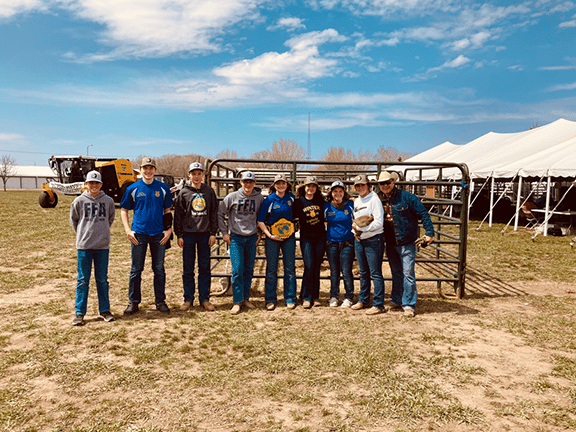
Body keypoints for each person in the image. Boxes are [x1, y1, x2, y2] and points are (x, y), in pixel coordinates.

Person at [120, 156, 173, 315]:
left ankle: (160, 301)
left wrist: (168, 230)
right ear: (140, 170)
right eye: (145, 168)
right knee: (136, 269)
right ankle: (133, 302)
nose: (148, 171)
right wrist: (128, 230)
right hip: (139, 235)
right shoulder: (133, 189)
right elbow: (124, 210)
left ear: (155, 171)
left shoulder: (163, 188)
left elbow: (167, 211)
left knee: (159, 269)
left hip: (158, 235)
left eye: (151, 168)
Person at [377, 171, 434, 317]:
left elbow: (423, 213)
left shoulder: (407, 197)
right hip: (390, 242)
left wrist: (429, 232)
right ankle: (397, 299)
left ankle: (408, 304)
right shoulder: (377, 199)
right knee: (396, 272)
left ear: (393, 182)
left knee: (408, 273)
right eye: (382, 183)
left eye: (387, 182)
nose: (385, 186)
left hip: (407, 241)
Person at [69, 170, 116, 326]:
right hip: (84, 247)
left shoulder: (108, 201)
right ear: (86, 184)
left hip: (102, 247)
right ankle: (79, 313)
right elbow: (74, 221)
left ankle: (105, 310)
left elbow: (110, 219)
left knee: (102, 280)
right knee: (83, 280)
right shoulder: (79, 201)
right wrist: (83, 235)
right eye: (91, 183)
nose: (94, 186)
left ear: (101, 184)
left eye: (97, 183)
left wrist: (100, 233)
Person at [174, 162, 219, 312]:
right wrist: (179, 234)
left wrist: (213, 233)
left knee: (204, 267)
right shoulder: (184, 192)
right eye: (194, 173)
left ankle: (204, 299)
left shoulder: (209, 191)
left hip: (205, 234)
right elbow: (178, 215)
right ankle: (188, 299)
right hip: (188, 235)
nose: (197, 176)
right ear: (189, 175)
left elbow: (214, 213)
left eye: (199, 173)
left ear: (203, 175)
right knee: (188, 268)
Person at [218, 171, 265, 315]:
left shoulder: (259, 198)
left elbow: (262, 217)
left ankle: (245, 298)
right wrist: (224, 232)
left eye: (251, 182)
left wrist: (260, 232)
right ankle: (237, 301)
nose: (248, 184)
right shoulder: (232, 197)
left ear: (255, 183)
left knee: (248, 269)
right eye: (245, 182)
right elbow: (220, 214)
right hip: (236, 238)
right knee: (237, 269)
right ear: (241, 183)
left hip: (251, 237)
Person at [257, 173, 297, 310]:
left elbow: (296, 216)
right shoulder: (269, 200)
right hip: (273, 238)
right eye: (278, 183)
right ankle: (270, 299)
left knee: (290, 268)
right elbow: (260, 220)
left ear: (287, 185)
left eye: (283, 183)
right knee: (272, 268)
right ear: (274, 185)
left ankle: (290, 297)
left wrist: (293, 229)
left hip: (288, 237)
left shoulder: (291, 198)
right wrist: (268, 234)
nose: (281, 185)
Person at [351, 174, 385, 315]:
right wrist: (356, 230)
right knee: (363, 272)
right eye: (357, 186)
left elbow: (378, 222)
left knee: (375, 272)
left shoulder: (374, 200)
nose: (360, 188)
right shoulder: (357, 201)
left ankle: (378, 304)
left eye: (362, 185)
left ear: (368, 186)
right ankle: (363, 299)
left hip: (373, 239)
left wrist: (361, 229)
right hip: (360, 239)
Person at [293, 176, 326, 308]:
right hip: (306, 237)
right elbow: (292, 217)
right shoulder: (298, 202)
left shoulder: (320, 201)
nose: (311, 188)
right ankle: (306, 296)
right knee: (309, 265)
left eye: (313, 186)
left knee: (316, 266)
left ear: (316, 188)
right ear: (304, 187)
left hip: (320, 237)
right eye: (308, 186)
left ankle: (315, 296)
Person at [324, 181, 355, 308]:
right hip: (332, 242)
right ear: (331, 193)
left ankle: (349, 297)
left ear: (344, 192)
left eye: (340, 191)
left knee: (347, 270)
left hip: (347, 241)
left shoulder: (350, 205)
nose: (338, 194)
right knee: (334, 271)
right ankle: (334, 296)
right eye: (335, 191)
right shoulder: (326, 206)